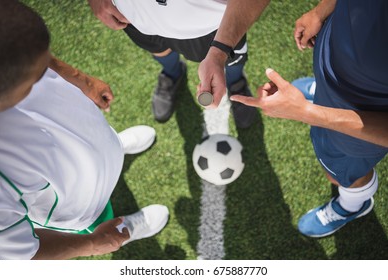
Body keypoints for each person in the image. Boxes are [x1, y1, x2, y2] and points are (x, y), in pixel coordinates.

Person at [0, 0, 169, 260]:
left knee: (99, 142)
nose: (44, 75)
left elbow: (20, 47)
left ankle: (113, 147)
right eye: (35, 79)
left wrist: (80, 79)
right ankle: (120, 226)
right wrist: (95, 243)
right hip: (79, 201)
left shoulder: (13, 58)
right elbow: (22, 252)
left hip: (90, 134)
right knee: (99, 216)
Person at [231, 0, 388, 237]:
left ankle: (352, 205)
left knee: (340, 173)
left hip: (361, 118)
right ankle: (322, 91)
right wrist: (321, 11)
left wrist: (307, 112)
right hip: (336, 62)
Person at [87, 0, 270, 128]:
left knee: (228, 62)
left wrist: (220, 49)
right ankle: (173, 73)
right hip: (134, 15)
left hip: (210, 25)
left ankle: (235, 83)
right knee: (160, 51)